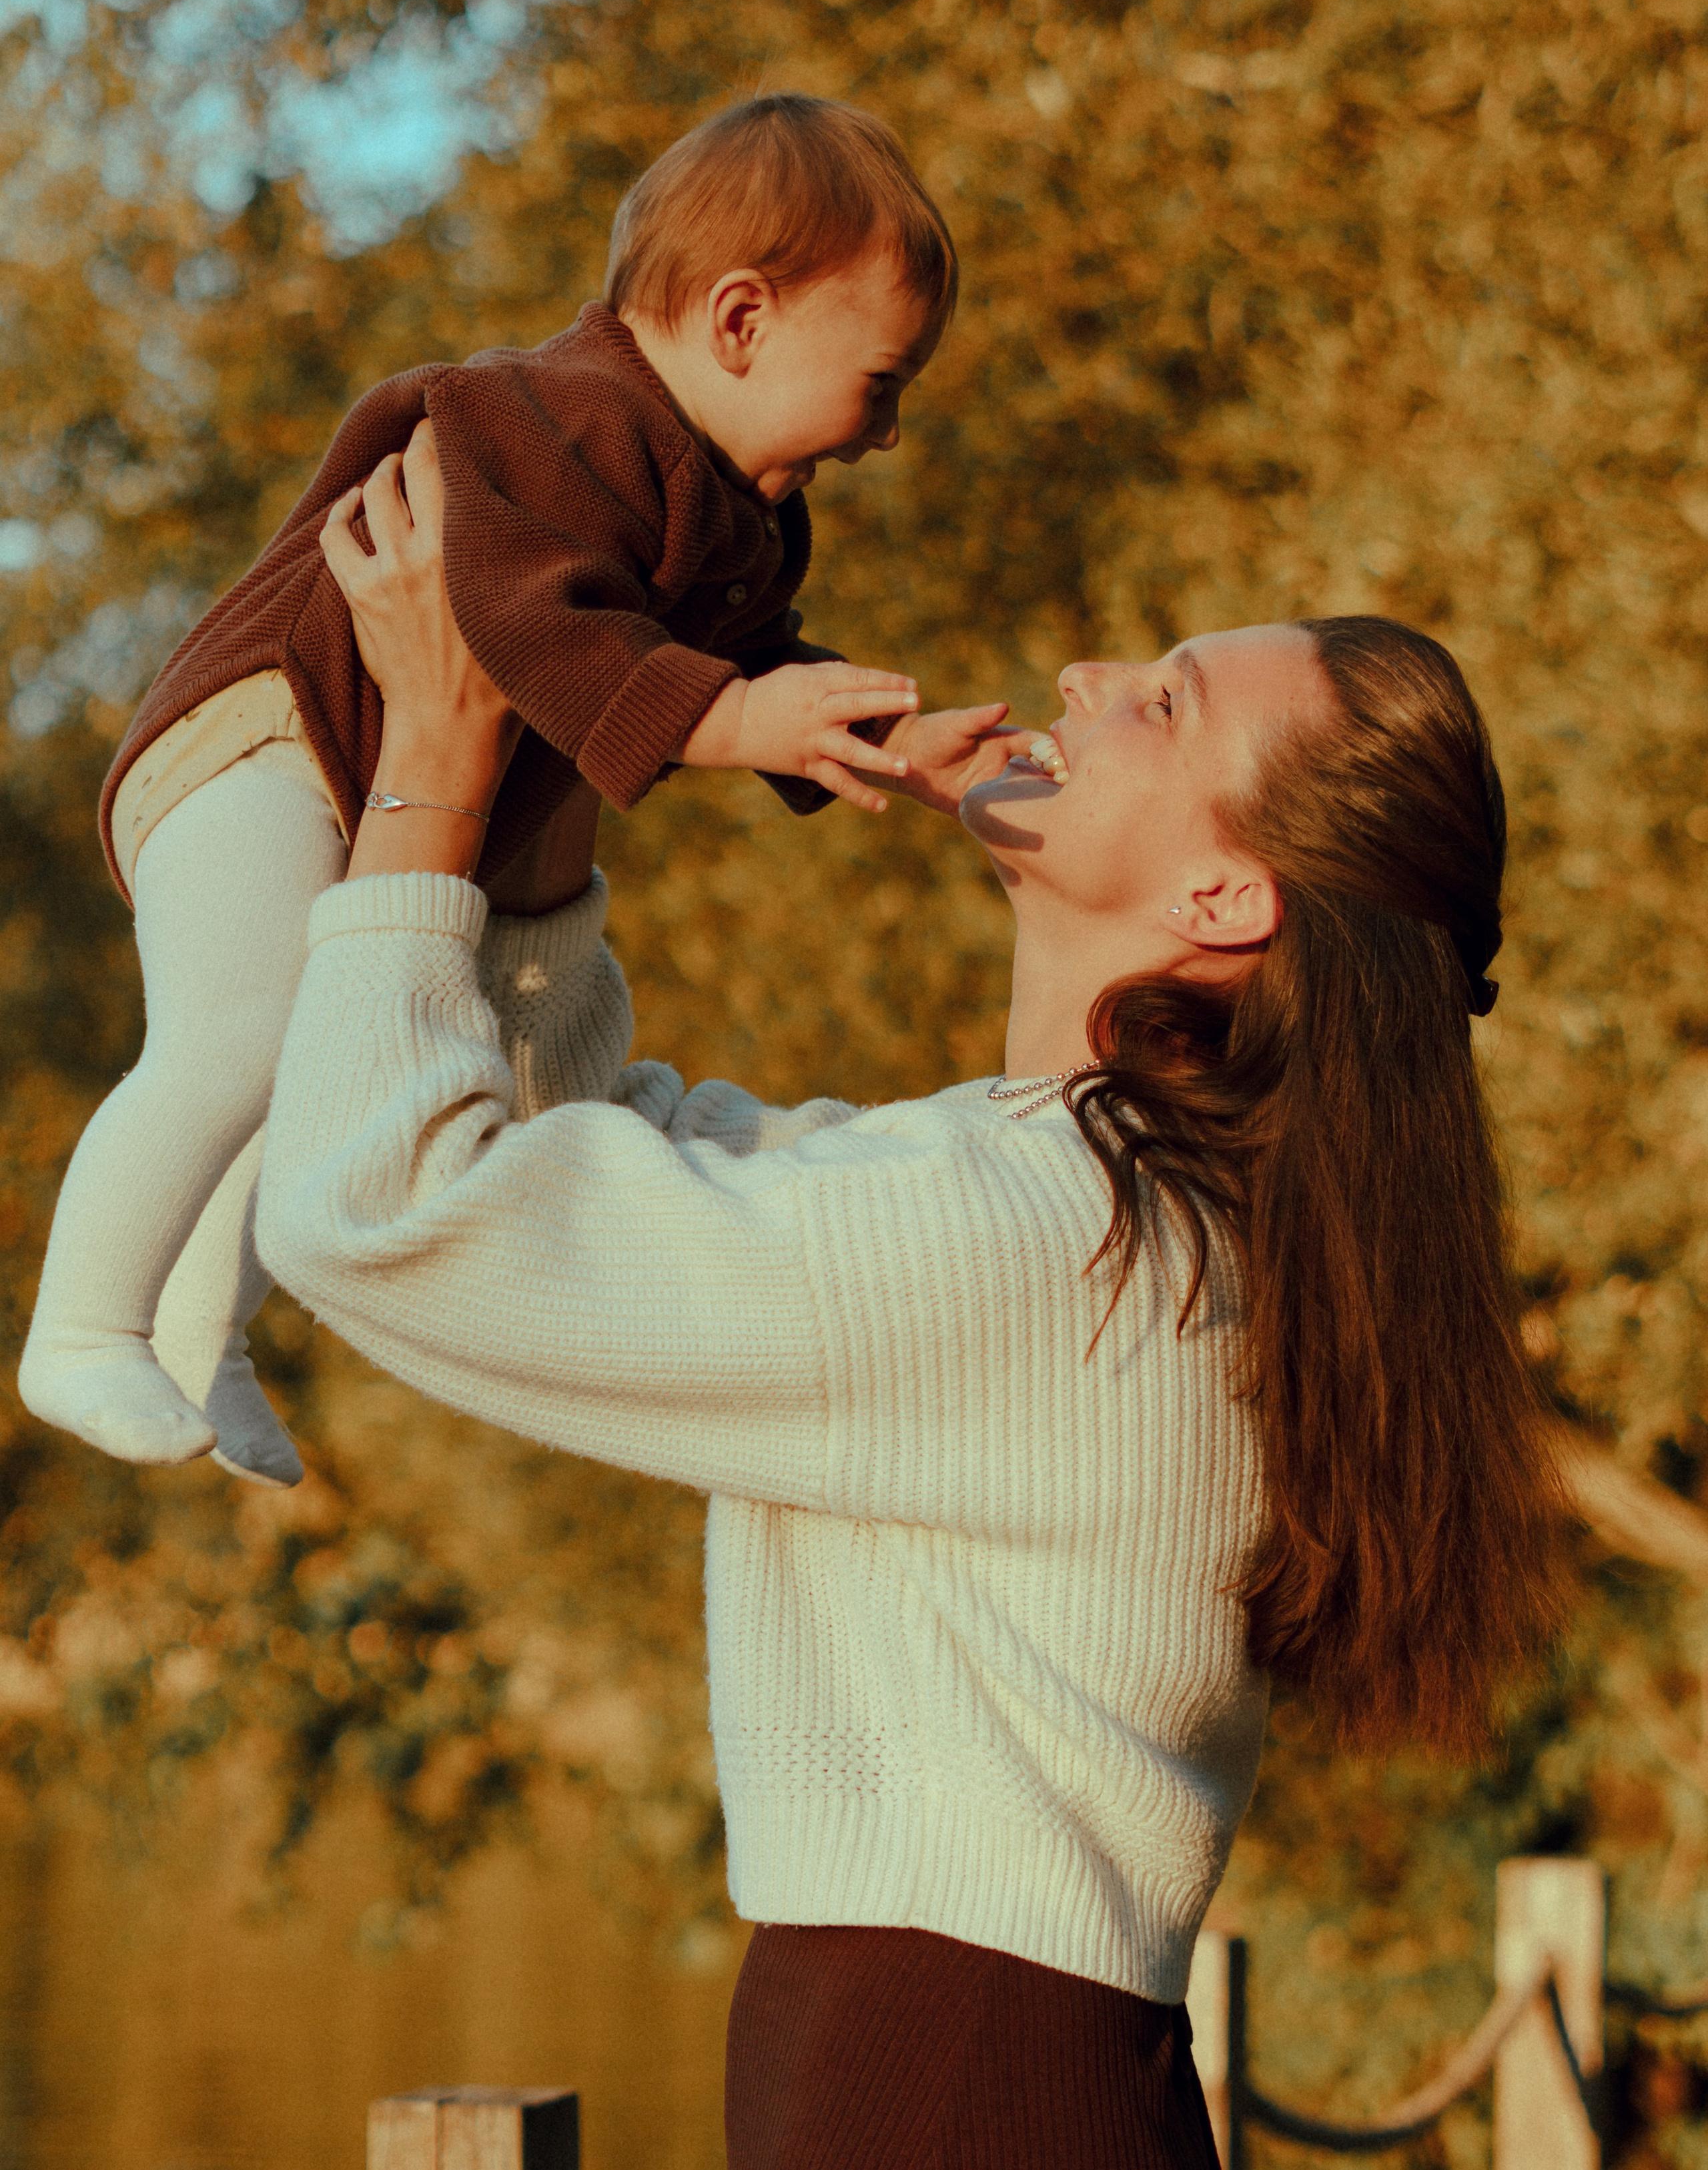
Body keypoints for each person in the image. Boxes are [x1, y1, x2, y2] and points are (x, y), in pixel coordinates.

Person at [257, 437, 1565, 2168]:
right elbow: (602, 1147)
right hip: (987, 2076)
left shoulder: (1052, 1240)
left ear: (1224, 897)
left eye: (1165, 702)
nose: (1086, 675)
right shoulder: (1119, 1211)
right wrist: (560, 744)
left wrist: (433, 766)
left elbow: (379, 1211)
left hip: (945, 2086)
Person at [19, 93, 1015, 1487]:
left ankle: (206, 1336)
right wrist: (734, 718)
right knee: (237, 1034)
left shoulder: (734, 506)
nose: (886, 434)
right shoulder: (564, 417)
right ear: (740, 320)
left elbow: (740, 663)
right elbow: (521, 618)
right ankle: (82, 1328)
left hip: (339, 772)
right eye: (883, 383)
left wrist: (892, 746)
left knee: (300, 1058)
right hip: (260, 741)